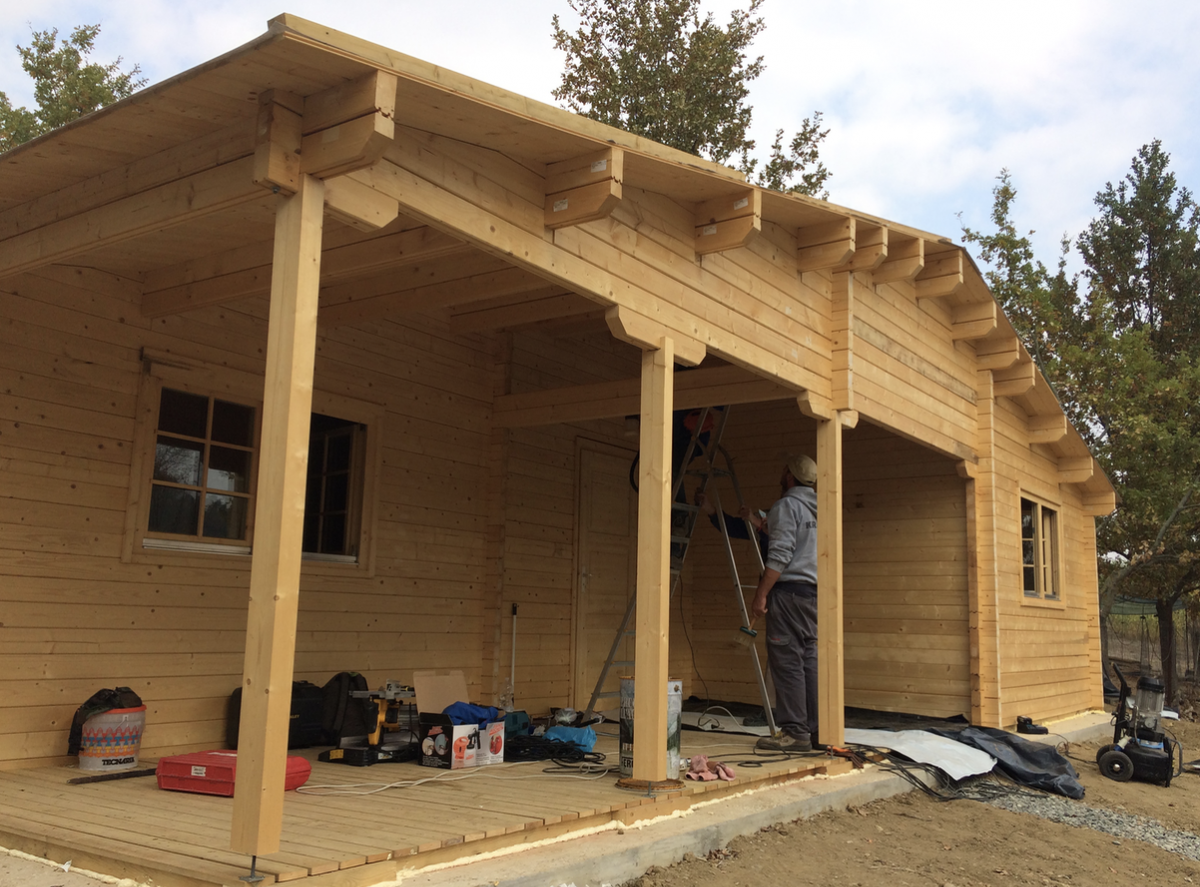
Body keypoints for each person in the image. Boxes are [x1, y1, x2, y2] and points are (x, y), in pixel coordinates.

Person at [751, 453, 819, 752]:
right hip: (814, 594)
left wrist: (762, 593)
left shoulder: (786, 506)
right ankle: (817, 730)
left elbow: (780, 555)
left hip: (788, 594)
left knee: (788, 660)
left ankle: (795, 733)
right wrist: (765, 525)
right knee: (809, 661)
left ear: (789, 476)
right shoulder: (820, 508)